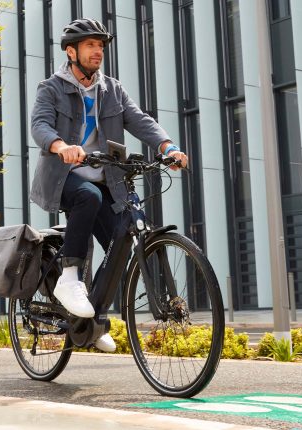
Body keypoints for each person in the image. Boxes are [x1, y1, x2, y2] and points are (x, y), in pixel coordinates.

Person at [29, 18, 188, 352]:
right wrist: (61, 146)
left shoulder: (111, 89)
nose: (97, 50)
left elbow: (140, 120)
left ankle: (92, 317)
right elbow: (40, 125)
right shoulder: (52, 87)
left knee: (122, 241)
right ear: (71, 52)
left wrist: (167, 147)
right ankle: (69, 279)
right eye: (90, 45)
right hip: (65, 177)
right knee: (86, 197)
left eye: (100, 45)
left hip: (107, 177)